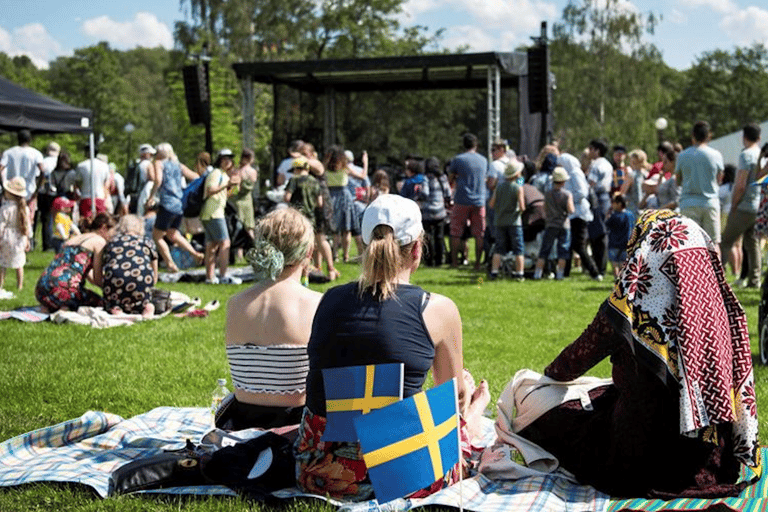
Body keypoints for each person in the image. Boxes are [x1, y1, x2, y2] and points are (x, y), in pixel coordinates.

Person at [519, 210, 760, 498]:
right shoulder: (721, 309)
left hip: (640, 459)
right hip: (712, 461)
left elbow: (570, 364)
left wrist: (546, 378)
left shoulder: (630, 305)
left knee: (545, 410)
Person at [295, 194, 491, 501]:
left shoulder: (328, 300)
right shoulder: (437, 309)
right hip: (400, 475)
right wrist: (470, 403)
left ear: (363, 245)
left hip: (317, 470)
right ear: (417, 248)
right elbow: (454, 400)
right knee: (461, 398)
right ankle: (481, 415)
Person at [218, 207, 322, 430]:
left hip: (239, 424)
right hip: (295, 427)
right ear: (309, 253)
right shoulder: (317, 304)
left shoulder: (235, 303)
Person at [35, 212, 116, 312]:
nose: (112, 236)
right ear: (104, 228)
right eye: (112, 232)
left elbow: (86, 274)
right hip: (62, 290)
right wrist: (112, 290)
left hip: (41, 289)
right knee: (102, 303)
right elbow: (97, 278)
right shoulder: (99, 241)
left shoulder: (74, 239)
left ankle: (54, 306)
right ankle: (66, 306)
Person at [146, 144, 204, 273]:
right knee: (173, 233)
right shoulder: (179, 165)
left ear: (161, 153)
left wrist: (151, 197)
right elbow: (196, 177)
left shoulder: (159, 163)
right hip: (179, 205)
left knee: (157, 236)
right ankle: (195, 254)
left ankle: (170, 264)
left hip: (167, 203)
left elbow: (158, 180)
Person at [720, 123, 762, 288]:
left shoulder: (746, 155)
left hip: (744, 205)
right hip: (759, 205)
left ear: (744, 137)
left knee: (725, 242)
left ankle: (719, 278)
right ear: (759, 137)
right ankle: (754, 280)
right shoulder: (762, 154)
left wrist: (734, 205)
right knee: (753, 244)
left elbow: (740, 185)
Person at [675, 120, 724, 254]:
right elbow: (720, 179)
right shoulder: (716, 155)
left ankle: (692, 274)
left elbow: (678, 181)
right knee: (713, 244)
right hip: (710, 203)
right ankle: (715, 274)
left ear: (693, 135)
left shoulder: (682, 155)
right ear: (709, 135)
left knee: (690, 243)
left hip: (688, 203)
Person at [101, 214, 158, 316]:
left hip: (116, 279)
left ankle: (115, 308)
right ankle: (145, 306)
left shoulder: (112, 242)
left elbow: (106, 264)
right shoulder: (147, 241)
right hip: (142, 279)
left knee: (114, 297)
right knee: (142, 295)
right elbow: (155, 274)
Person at [448, 133, 488, 270]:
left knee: (456, 231)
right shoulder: (483, 160)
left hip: (461, 199)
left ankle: (454, 262)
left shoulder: (458, 159)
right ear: (475, 145)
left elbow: (451, 178)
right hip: (479, 200)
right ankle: (477, 263)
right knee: (479, 233)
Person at [201, 149, 241, 285]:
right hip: (214, 213)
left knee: (212, 246)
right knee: (225, 243)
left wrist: (234, 187)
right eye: (224, 158)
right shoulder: (216, 173)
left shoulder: (223, 175)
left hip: (211, 213)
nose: (227, 161)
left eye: (229, 158)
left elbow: (224, 194)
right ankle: (223, 276)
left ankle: (210, 278)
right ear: (219, 160)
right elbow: (210, 190)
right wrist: (227, 184)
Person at [533, 167, 574, 281]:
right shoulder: (567, 194)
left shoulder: (547, 194)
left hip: (551, 224)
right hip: (563, 224)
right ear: (563, 181)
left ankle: (537, 273)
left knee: (545, 249)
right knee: (563, 250)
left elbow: (545, 208)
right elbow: (571, 210)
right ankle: (560, 274)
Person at [489, 160, 525, 280]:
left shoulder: (499, 188)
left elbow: (491, 204)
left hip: (500, 221)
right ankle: (519, 273)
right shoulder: (518, 188)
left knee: (498, 248)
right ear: (516, 174)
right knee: (518, 249)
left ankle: (494, 272)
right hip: (514, 222)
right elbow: (522, 206)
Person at [586, 138, 613, 278]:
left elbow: (590, 184)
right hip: (605, 199)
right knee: (601, 233)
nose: (589, 152)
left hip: (596, 199)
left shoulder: (595, 165)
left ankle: (599, 267)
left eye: (591, 149)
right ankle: (600, 266)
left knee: (597, 234)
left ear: (597, 150)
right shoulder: (608, 164)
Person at [0, 177, 32, 291]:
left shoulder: (5, 209)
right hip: (20, 237)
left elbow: (1, 225)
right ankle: (20, 286)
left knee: (3, 263)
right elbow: (27, 225)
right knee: (19, 263)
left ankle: (1, 285)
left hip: (7, 237)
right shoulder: (25, 208)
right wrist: (28, 239)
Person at [230, 148, 258, 260]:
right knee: (249, 227)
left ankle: (239, 254)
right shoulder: (252, 171)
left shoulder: (238, 171)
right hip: (247, 201)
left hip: (238, 201)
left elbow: (235, 189)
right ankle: (256, 250)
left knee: (238, 227)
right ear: (250, 158)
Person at [422, 157, 451, 267]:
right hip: (440, 212)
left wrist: (418, 194)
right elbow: (447, 193)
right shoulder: (442, 177)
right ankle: (440, 260)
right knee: (440, 236)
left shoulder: (426, 178)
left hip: (428, 212)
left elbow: (425, 193)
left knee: (428, 237)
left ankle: (430, 260)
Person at [74, 145, 110, 220]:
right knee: (100, 222)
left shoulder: (81, 165)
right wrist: (106, 198)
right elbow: (106, 184)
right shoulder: (104, 166)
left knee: (86, 222)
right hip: (100, 197)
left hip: (86, 197)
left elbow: (77, 183)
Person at [37, 141, 61, 252]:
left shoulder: (44, 161)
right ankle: (56, 241)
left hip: (43, 193)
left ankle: (46, 243)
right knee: (57, 218)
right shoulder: (58, 162)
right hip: (56, 193)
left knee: (45, 219)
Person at [605, 193, 633, 278]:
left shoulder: (615, 216)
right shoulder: (630, 214)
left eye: (614, 203)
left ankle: (616, 278)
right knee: (622, 262)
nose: (612, 205)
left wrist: (608, 216)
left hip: (614, 242)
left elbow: (607, 224)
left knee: (614, 262)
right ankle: (622, 279)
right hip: (626, 242)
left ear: (619, 204)